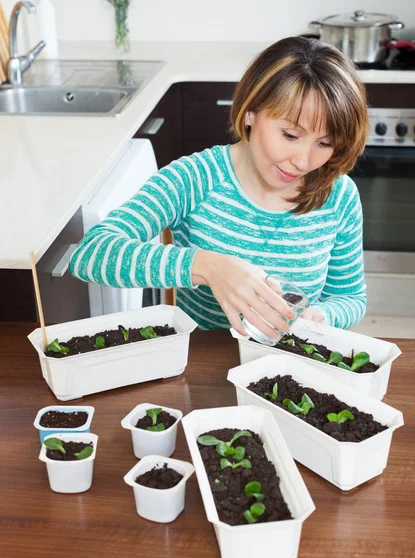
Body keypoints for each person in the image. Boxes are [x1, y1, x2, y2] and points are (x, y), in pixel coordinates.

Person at [69, 36, 369, 341]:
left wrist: (323, 315)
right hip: (203, 359)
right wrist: (207, 266)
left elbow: (351, 297)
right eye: (290, 135)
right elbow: (91, 253)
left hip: (291, 357)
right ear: (251, 112)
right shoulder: (196, 178)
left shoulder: (339, 196)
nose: (303, 162)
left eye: (324, 143)